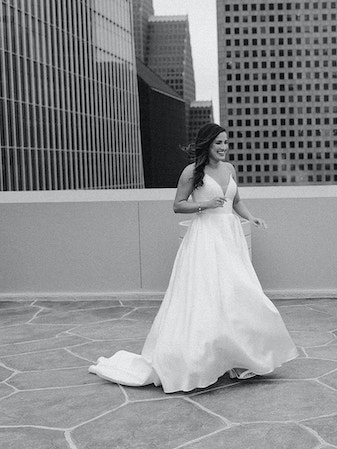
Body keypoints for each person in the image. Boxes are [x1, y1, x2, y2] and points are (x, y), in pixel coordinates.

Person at [89, 123, 298, 392]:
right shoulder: (192, 172)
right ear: (207, 145)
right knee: (207, 298)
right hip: (205, 239)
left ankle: (242, 358)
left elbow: (235, 202)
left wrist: (251, 217)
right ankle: (205, 360)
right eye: (218, 143)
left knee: (241, 293)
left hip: (230, 237)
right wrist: (205, 204)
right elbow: (177, 205)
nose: (223, 147)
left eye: (225, 142)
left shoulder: (230, 169)